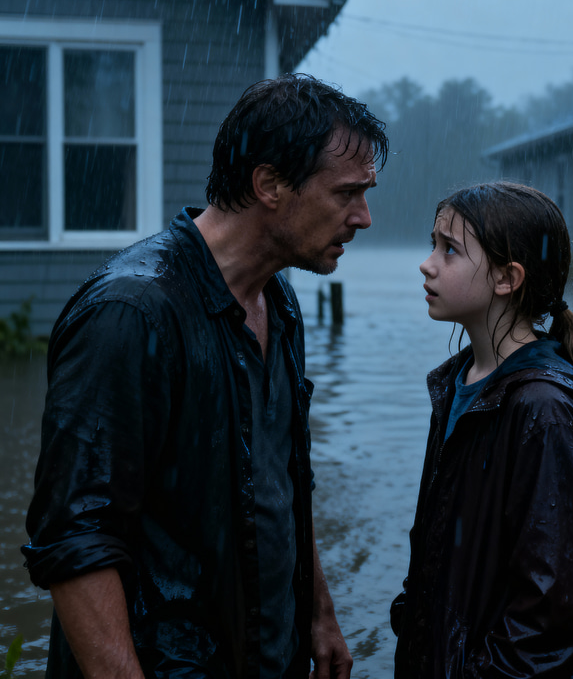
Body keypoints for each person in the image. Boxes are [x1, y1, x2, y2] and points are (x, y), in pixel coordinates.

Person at [23, 74, 389, 679]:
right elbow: (74, 536)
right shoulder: (129, 314)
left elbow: (284, 479)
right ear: (269, 184)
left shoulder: (280, 302)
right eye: (347, 193)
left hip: (269, 655)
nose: (365, 217)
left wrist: (320, 614)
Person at [391, 181, 573, 678]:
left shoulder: (543, 411)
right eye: (433, 244)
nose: (427, 264)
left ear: (507, 278)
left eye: (449, 250)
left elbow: (554, 610)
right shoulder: (458, 384)